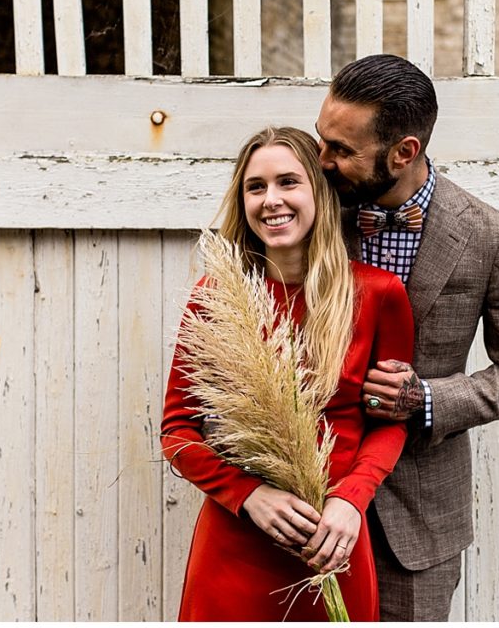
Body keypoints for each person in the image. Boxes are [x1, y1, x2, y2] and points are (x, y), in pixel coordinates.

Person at [314, 54, 499, 621]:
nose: (321, 161)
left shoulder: (491, 237)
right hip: (307, 498)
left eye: (342, 150)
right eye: (321, 140)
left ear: (404, 152)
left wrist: (425, 400)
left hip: (415, 522)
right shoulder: (312, 211)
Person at [161, 126, 416, 621]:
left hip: (333, 536)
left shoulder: (378, 294)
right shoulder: (216, 297)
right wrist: (248, 495)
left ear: (319, 191)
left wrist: (351, 500)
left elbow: (389, 420)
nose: (271, 200)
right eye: (256, 187)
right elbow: (178, 431)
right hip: (237, 539)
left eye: (288, 182)